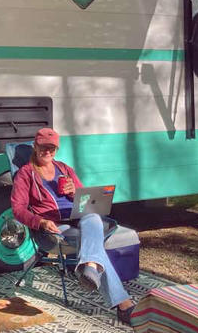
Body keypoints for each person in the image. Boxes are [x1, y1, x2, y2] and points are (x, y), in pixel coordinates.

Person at [10, 127, 135, 324]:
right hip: (52, 228)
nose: (48, 152)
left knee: (93, 218)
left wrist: (73, 191)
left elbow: (84, 199)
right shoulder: (26, 174)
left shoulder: (64, 169)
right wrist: (40, 222)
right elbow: (17, 209)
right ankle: (123, 303)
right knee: (94, 245)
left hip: (78, 219)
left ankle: (90, 265)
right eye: (43, 147)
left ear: (56, 149)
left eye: (52, 148)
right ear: (35, 147)